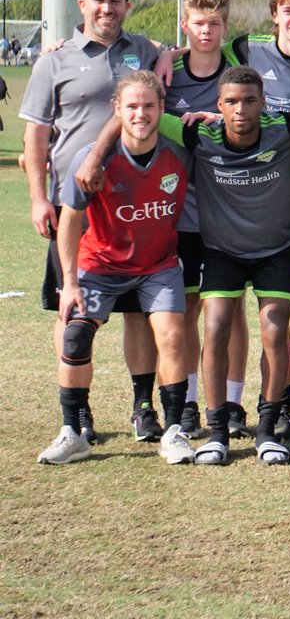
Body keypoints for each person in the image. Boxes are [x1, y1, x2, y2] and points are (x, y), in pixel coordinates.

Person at [83, 66, 290, 464]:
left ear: (263, 103)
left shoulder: (286, 127)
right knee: (215, 326)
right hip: (222, 252)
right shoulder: (198, 133)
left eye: (250, 101)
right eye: (231, 102)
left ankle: (267, 431)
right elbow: (131, 113)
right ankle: (216, 432)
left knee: (273, 329)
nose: (240, 110)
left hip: (277, 251)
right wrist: (96, 155)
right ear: (218, 105)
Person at [19, 0, 165, 444]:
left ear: (126, 6)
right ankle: (77, 413)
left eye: (116, 0)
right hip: (74, 208)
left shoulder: (142, 50)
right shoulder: (54, 61)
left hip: (133, 207)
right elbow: (36, 135)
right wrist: (39, 197)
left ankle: (143, 406)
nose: (107, 8)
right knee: (73, 307)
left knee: (138, 313)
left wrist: (168, 56)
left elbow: (183, 54)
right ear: (82, 4)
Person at [38, 72, 193, 464]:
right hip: (100, 263)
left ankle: (173, 431)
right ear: (117, 110)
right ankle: (72, 431)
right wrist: (70, 282)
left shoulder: (180, 153)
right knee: (75, 338)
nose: (141, 114)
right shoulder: (93, 160)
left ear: (162, 109)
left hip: (158, 264)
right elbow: (70, 222)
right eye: (132, 106)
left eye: (149, 106)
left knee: (172, 335)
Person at [166, 0, 253, 439]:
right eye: (198, 23)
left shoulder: (240, 71)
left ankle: (233, 403)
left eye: (215, 23)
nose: (207, 31)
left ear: (225, 26)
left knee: (231, 310)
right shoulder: (167, 71)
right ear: (186, 25)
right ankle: (191, 403)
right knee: (186, 310)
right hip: (179, 213)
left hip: (227, 212)